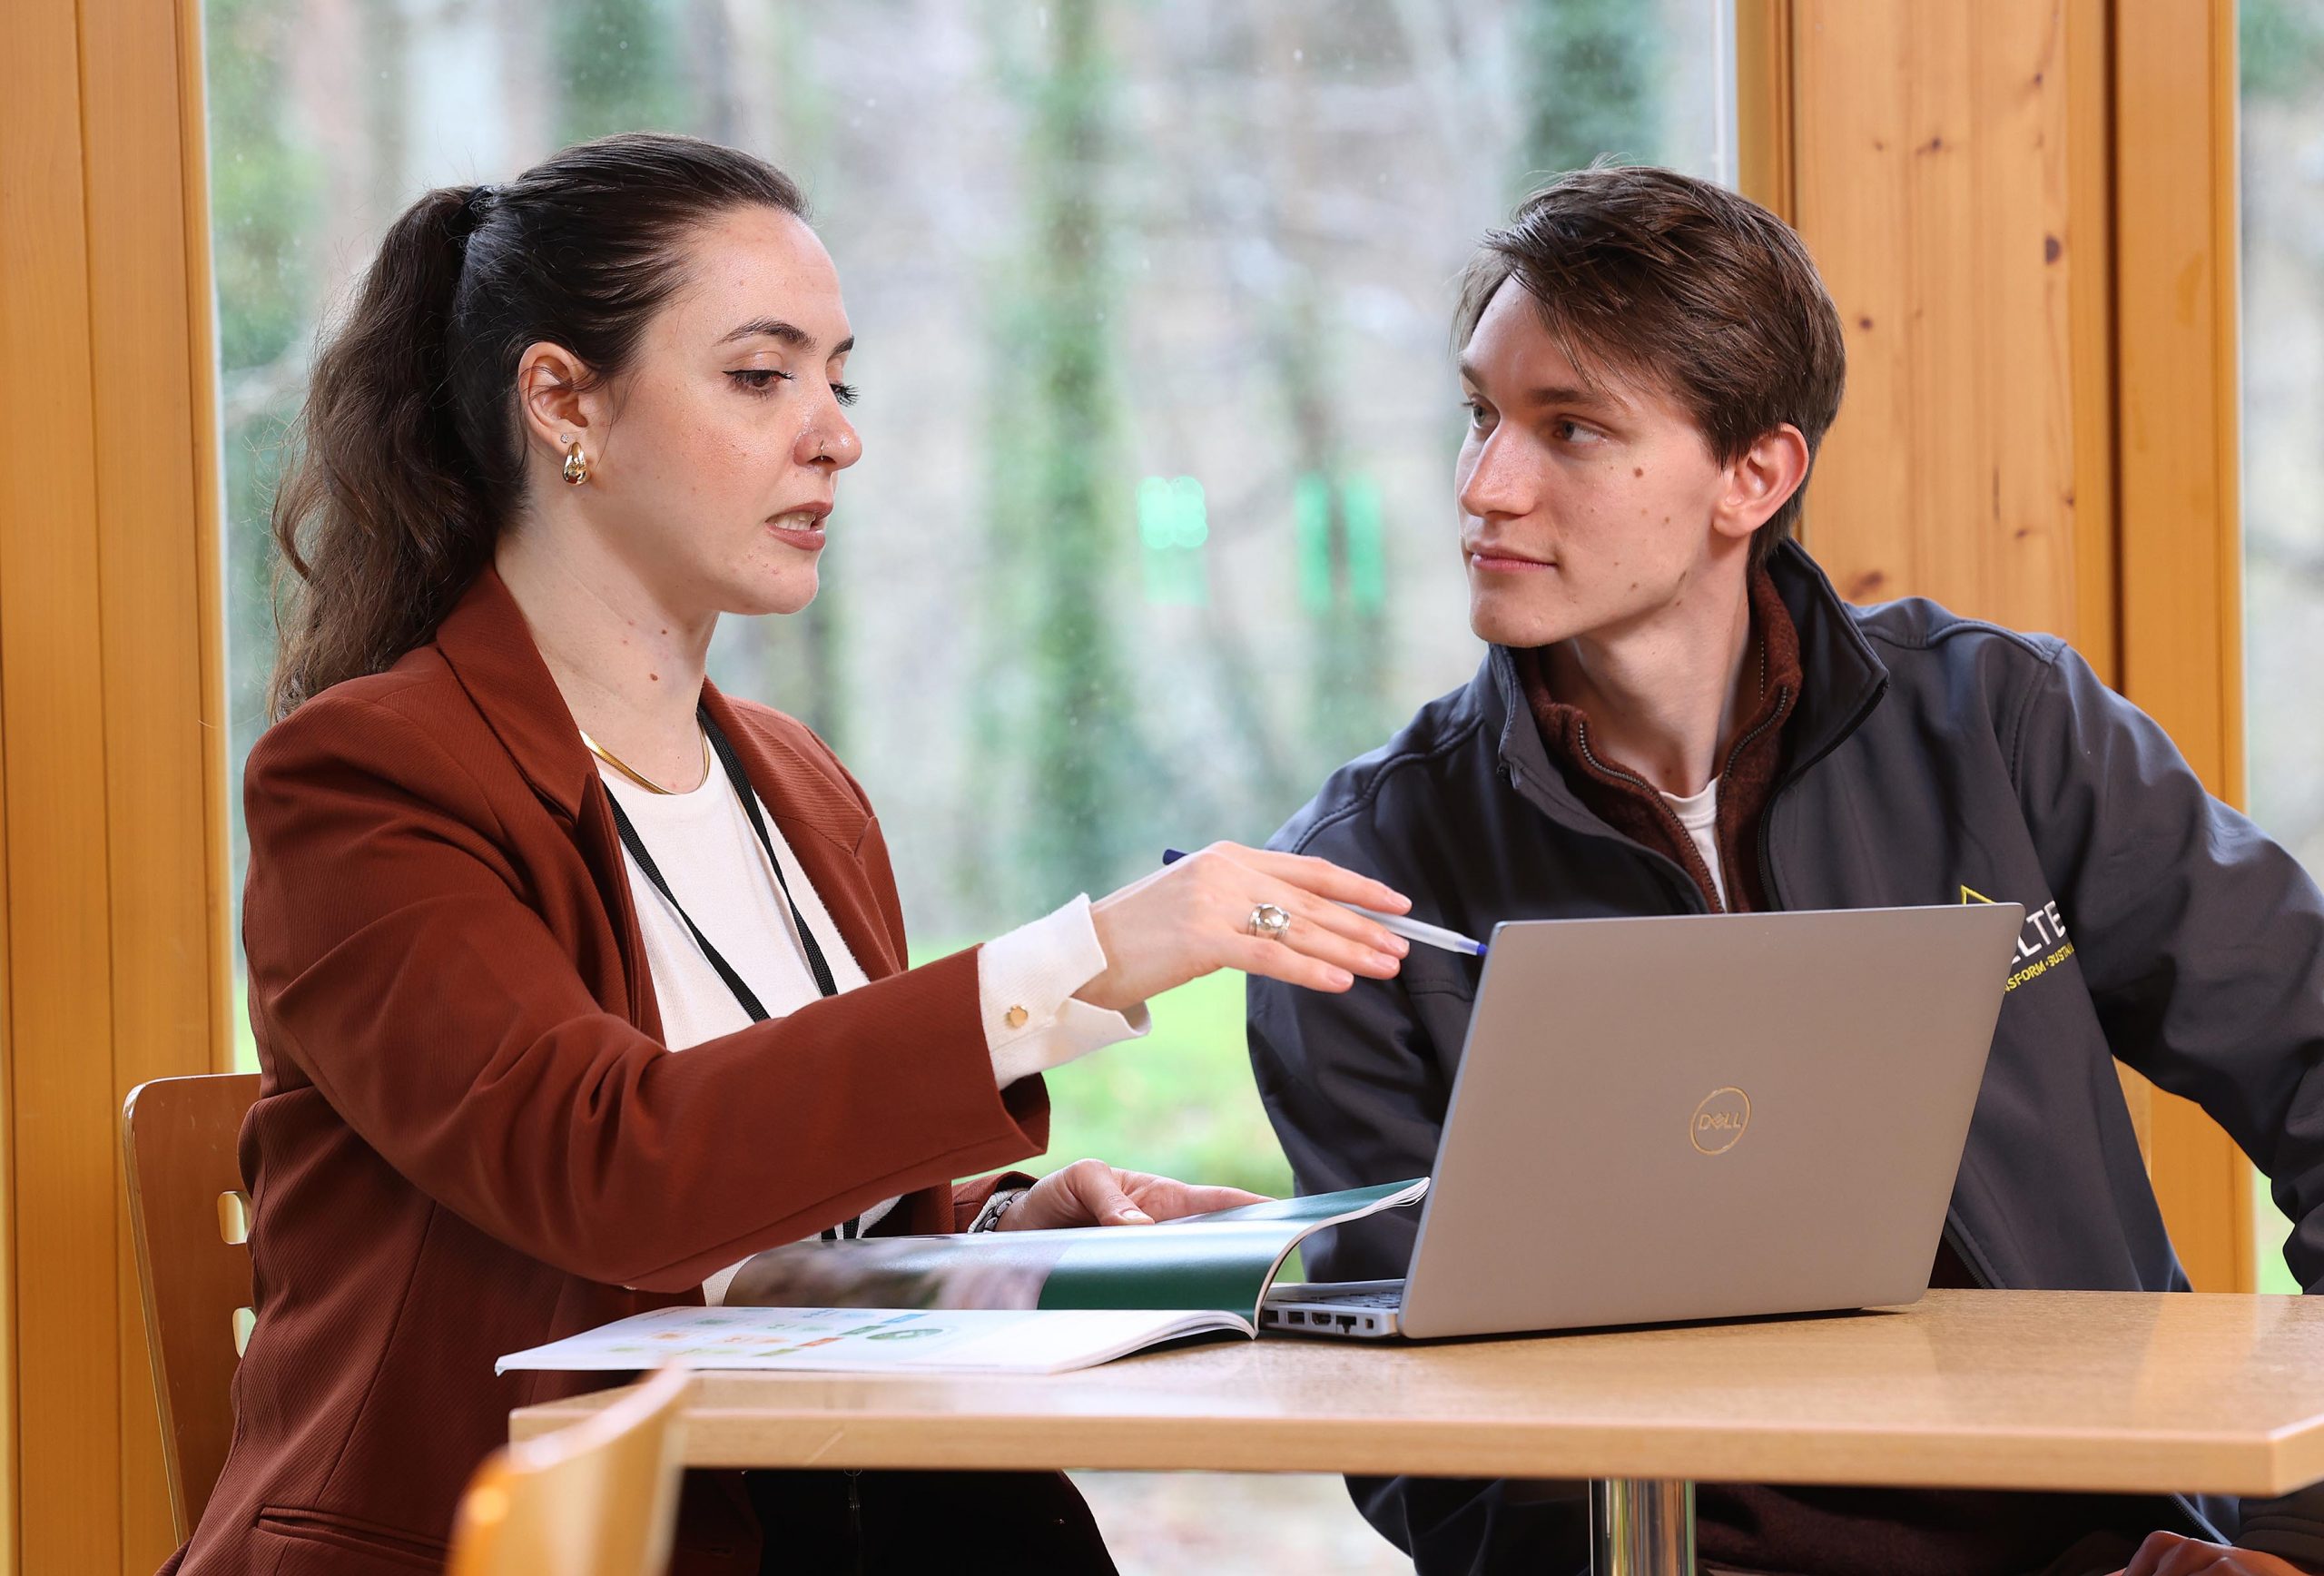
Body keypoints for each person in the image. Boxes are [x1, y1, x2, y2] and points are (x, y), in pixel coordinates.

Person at [169, 132, 1415, 1576]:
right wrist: (1086, 956)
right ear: (563, 401)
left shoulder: (803, 789)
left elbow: (779, 1223)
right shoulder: (366, 781)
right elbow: (610, 1171)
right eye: (762, 377)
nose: (835, 434)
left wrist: (1010, 1236)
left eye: (840, 379)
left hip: (833, 1508)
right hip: (524, 1540)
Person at [1246, 164, 2324, 1576]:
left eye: (1569, 429)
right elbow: (1413, 1428)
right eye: (1479, 414)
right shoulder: (1361, 878)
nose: (1484, 485)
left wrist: (2292, 1536)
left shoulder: (2006, 728)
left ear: (1754, 476)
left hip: (2111, 1544)